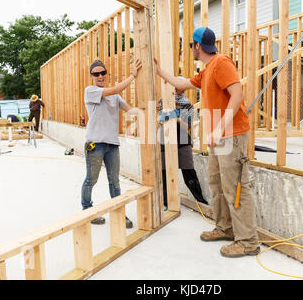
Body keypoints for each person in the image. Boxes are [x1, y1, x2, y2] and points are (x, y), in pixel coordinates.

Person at [154, 27, 260, 258]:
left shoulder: (221, 63)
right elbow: (181, 83)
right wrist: (159, 71)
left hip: (231, 135)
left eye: (191, 45)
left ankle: (248, 241)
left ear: (197, 46)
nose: (190, 48)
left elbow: (237, 94)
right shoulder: (206, 70)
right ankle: (225, 227)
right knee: (216, 183)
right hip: (218, 139)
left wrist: (220, 127)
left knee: (236, 188)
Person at [82, 59, 141, 227]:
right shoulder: (90, 91)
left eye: (103, 73)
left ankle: (119, 214)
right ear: (92, 76)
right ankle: (88, 212)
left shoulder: (115, 96)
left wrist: (148, 109)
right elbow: (114, 88)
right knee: (91, 180)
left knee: (114, 181)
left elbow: (130, 110)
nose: (100, 76)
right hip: (95, 144)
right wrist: (132, 76)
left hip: (112, 145)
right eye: (96, 74)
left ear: (106, 74)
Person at [157, 92, 208, 211]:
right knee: (164, 173)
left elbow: (187, 127)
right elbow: (158, 122)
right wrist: (162, 117)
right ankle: (165, 202)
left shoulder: (188, 107)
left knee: (189, 171)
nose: (177, 90)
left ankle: (200, 201)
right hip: (166, 142)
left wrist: (177, 118)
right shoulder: (163, 102)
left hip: (183, 142)